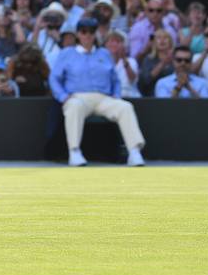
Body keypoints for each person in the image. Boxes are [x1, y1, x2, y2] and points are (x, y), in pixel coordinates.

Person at [50, 18, 146, 167]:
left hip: (104, 98)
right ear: (78, 34)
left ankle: (134, 152)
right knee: (73, 106)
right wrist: (63, 96)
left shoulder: (104, 54)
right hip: (77, 97)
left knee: (125, 107)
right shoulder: (66, 54)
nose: (87, 36)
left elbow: (115, 79)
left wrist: (116, 94)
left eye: (91, 32)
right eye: (84, 32)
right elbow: (54, 78)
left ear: (95, 34)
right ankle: (74, 151)